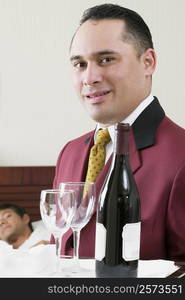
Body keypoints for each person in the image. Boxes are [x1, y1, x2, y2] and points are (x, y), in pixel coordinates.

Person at [53, 4, 185, 261]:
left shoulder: (180, 156)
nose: (89, 77)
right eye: (80, 64)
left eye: (106, 60)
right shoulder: (69, 152)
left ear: (148, 62)